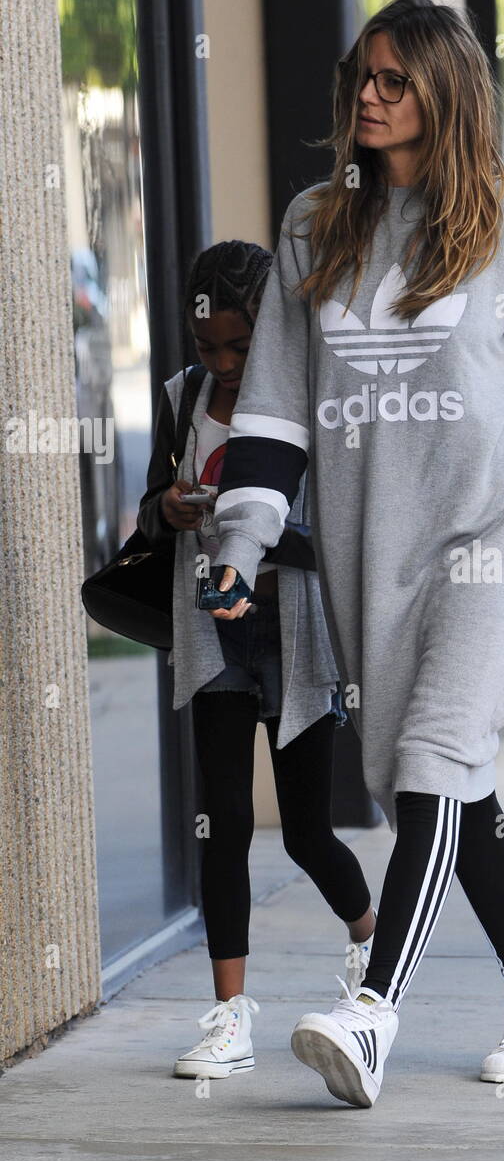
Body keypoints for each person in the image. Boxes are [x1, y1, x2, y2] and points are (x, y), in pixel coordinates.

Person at [207, 0, 504, 1108]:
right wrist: (238, 543)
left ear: (446, 90)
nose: (373, 97)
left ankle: (372, 1011)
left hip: (489, 536)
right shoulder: (311, 224)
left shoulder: (499, 215)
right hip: (366, 551)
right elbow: (275, 414)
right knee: (437, 788)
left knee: (435, 753)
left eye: (396, 79)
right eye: (364, 79)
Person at [137, 239, 375, 1081]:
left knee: (308, 831)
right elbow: (147, 516)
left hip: (295, 637)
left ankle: (369, 951)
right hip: (214, 635)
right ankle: (230, 1014)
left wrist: (256, 531)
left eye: (241, 346)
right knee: (225, 820)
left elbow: (342, 532)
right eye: (209, 348)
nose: (225, 364)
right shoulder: (184, 397)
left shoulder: (311, 395)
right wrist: (169, 507)